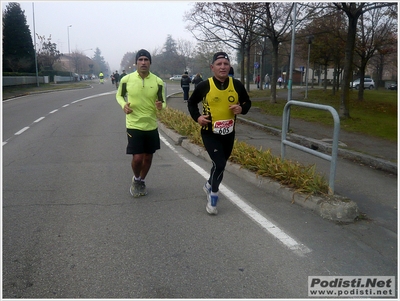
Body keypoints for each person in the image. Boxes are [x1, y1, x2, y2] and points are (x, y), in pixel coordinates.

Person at [187, 51, 251, 215]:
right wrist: (198, 117)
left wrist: (241, 108)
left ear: (229, 66)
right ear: (212, 67)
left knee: (219, 165)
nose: (223, 67)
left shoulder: (236, 85)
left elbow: (247, 102)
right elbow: (192, 102)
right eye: (219, 64)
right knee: (220, 164)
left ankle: (209, 184)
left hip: (229, 133)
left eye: (225, 64)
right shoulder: (204, 86)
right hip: (210, 133)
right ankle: (213, 196)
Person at [116, 49, 166, 197]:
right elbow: (119, 95)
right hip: (133, 124)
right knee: (137, 158)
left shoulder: (158, 82)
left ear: (150, 62)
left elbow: (163, 102)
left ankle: (141, 180)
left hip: (151, 125)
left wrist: (160, 106)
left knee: (148, 157)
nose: (143, 62)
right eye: (141, 60)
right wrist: (123, 105)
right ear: (136, 62)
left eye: (146, 60)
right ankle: (136, 178)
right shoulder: (127, 79)